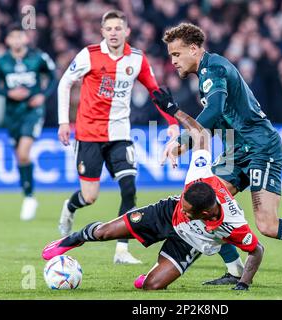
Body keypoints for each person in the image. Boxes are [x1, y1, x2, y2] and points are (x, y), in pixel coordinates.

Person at [157, 23, 282, 284]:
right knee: (205, 203)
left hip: (261, 146)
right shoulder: (205, 76)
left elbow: (215, 110)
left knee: (267, 226)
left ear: (194, 49)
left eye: (176, 54)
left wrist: (182, 140)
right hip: (237, 149)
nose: (172, 61)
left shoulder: (214, 69)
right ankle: (235, 271)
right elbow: (217, 121)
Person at [42, 106, 264, 291]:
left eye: (187, 211)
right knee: (104, 232)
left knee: (151, 287)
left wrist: (245, 282)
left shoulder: (234, 224)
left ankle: (151, 275)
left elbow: (257, 250)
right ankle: (72, 239)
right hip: (164, 214)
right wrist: (174, 111)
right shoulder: (200, 175)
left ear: (205, 214)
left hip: (189, 242)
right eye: (183, 204)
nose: (183, 211)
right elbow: (201, 134)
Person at [57, 10, 179, 265]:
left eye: (118, 28)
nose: (113, 33)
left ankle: (121, 250)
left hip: (120, 134)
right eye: (109, 28)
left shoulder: (136, 59)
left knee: (129, 187)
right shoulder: (89, 55)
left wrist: (171, 122)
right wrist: (63, 122)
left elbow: (155, 91)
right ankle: (70, 205)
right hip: (89, 134)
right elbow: (65, 83)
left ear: (127, 31)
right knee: (89, 197)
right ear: (102, 31)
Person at [0, 23, 57, 221]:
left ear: (26, 38)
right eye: (13, 37)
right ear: (7, 40)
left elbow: (53, 77)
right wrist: (8, 92)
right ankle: (28, 195)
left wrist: (43, 96)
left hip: (32, 111)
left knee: (23, 152)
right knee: (20, 157)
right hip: (12, 114)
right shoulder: (0, 61)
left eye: (20, 36)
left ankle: (29, 198)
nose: (17, 40)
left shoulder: (38, 57)